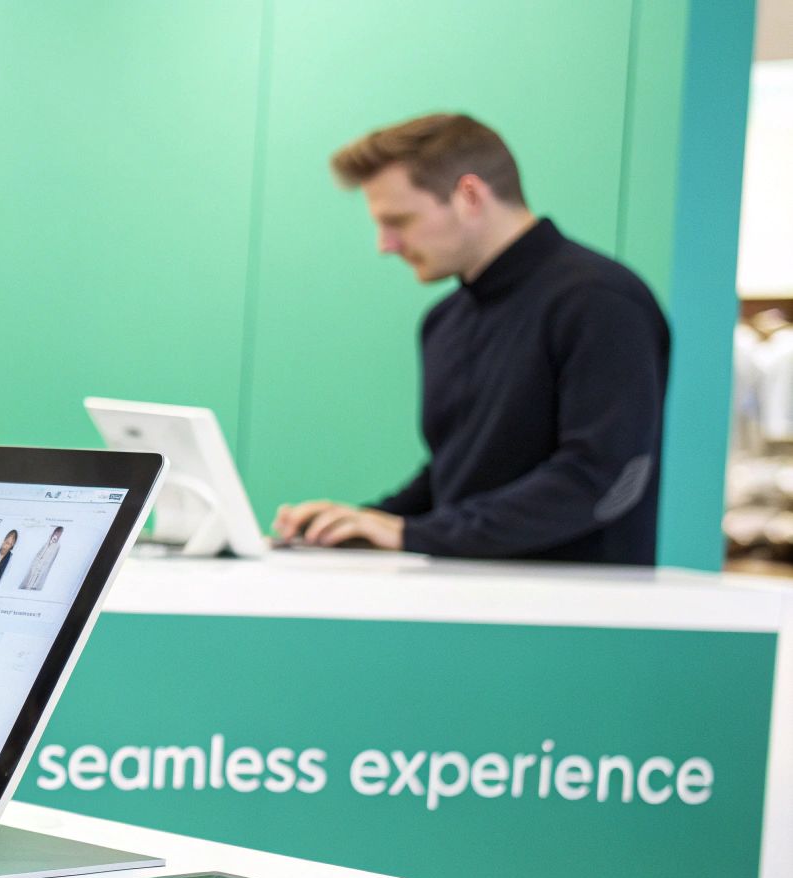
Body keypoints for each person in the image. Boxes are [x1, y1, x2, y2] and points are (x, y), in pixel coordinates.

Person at [272, 113, 669, 565]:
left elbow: (602, 479)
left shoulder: (600, 301)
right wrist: (358, 523)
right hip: (462, 602)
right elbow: (457, 476)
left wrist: (409, 532)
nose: (386, 244)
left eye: (398, 221)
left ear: (470, 196)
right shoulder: (445, 320)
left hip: (577, 615)